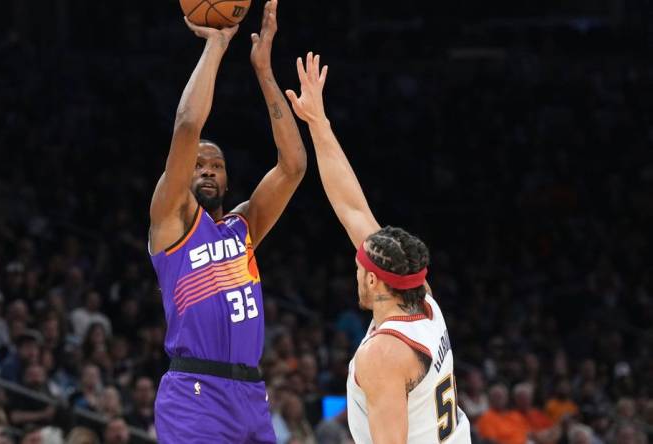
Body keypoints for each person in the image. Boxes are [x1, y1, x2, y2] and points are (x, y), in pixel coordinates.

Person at [286, 52, 471, 443]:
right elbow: (352, 207)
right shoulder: (424, 304)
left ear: (372, 280)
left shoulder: (383, 356)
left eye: (357, 266)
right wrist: (318, 123)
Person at [147, 0, 306, 442]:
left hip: (251, 394)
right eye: (198, 165)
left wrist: (263, 70)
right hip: (194, 394)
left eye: (215, 165)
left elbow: (293, 166)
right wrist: (216, 45)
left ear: (227, 177)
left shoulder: (243, 228)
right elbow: (186, 124)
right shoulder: (171, 222)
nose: (207, 170)